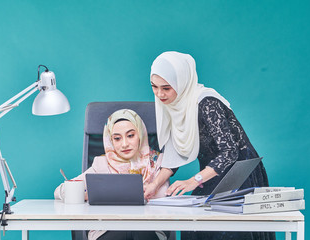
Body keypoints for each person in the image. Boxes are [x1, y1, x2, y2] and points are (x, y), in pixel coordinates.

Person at [144, 51, 275, 240]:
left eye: (166, 88)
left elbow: (229, 152)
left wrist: (192, 181)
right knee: (195, 225)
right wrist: (154, 184)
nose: (159, 94)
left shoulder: (207, 102)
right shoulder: (173, 105)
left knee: (228, 231)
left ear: (182, 82)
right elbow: (174, 152)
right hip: (210, 173)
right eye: (154, 87)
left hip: (239, 172)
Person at [54, 109, 169, 240]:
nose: (124, 144)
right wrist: (85, 195)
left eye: (131, 135)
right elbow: (59, 191)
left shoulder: (159, 162)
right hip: (108, 229)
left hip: (148, 228)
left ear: (141, 135)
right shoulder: (102, 164)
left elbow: (165, 203)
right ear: (110, 141)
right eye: (117, 138)